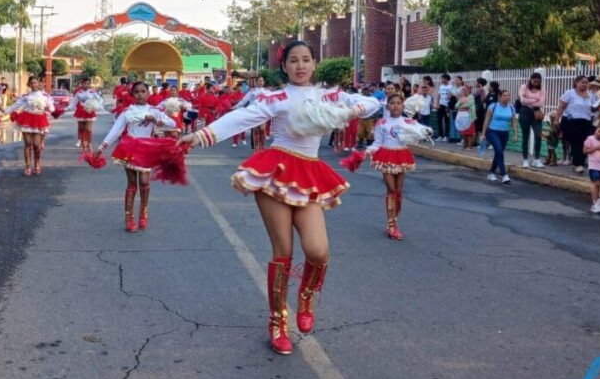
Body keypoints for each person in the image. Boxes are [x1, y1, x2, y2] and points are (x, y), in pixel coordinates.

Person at [180, 40, 379, 355]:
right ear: (284, 67)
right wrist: (200, 136)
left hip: (309, 174)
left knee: (318, 251)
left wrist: (350, 109)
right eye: (294, 60)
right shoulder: (276, 98)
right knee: (283, 251)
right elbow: (241, 118)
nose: (300, 65)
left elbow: (371, 104)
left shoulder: (330, 95)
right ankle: (278, 322)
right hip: (275, 170)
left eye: (306, 59)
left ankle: (306, 297)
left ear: (314, 64)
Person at [94, 80, 177, 232]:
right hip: (130, 147)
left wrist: (156, 120)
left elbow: (172, 124)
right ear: (133, 94)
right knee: (132, 184)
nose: (140, 94)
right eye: (137, 92)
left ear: (148, 93)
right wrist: (102, 147)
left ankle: (143, 214)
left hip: (147, 149)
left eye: (143, 91)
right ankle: (129, 219)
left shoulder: (155, 110)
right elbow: (116, 130)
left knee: (144, 183)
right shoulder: (127, 112)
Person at [366, 93, 420, 239]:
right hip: (387, 156)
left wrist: (425, 131)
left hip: (401, 156)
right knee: (391, 189)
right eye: (392, 103)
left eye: (398, 103)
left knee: (399, 191)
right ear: (387, 106)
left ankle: (393, 221)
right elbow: (377, 142)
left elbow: (420, 132)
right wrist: (368, 150)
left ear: (403, 106)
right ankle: (392, 226)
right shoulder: (381, 122)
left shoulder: (408, 122)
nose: (395, 106)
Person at [6, 77, 54, 174]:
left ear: (38, 83)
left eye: (35, 82)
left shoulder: (45, 95)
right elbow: (16, 105)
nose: (33, 85)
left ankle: (37, 163)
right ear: (29, 84)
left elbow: (52, 108)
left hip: (39, 120)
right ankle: (28, 166)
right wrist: (5, 111)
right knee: (27, 144)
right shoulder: (26, 96)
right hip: (27, 120)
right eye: (31, 83)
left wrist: (47, 108)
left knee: (36, 144)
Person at [553, 75, 593, 173]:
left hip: (586, 121)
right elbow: (561, 107)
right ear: (576, 83)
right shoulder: (570, 93)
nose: (585, 84)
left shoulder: (590, 95)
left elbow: (592, 108)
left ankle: (577, 163)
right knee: (577, 141)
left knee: (585, 142)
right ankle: (578, 164)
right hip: (571, 121)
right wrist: (556, 119)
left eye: (586, 83)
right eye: (582, 82)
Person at [482, 89, 517, 184]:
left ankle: (491, 173)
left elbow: (513, 122)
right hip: (492, 132)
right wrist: (483, 134)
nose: (507, 97)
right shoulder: (493, 106)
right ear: (499, 97)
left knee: (498, 153)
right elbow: (486, 120)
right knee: (499, 150)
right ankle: (504, 175)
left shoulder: (511, 108)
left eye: (508, 95)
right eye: (504, 96)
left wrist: (515, 134)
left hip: (504, 133)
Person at [517, 72, 546, 168]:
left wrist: (528, 101)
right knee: (525, 137)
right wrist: (534, 101)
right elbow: (522, 101)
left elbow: (541, 103)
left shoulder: (542, 89)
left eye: (538, 81)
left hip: (537, 113)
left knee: (538, 136)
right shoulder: (524, 87)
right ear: (530, 79)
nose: (536, 83)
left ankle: (536, 160)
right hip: (525, 112)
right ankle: (525, 160)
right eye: (534, 81)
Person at [68, 77, 104, 152]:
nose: (87, 85)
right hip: (80, 112)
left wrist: (96, 104)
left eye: (88, 83)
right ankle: (84, 145)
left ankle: (89, 144)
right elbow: (74, 103)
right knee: (82, 129)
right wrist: (66, 109)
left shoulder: (92, 92)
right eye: (85, 83)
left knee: (88, 130)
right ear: (82, 84)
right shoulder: (79, 92)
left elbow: (100, 99)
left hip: (90, 112)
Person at [454, 85, 477, 149]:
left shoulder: (471, 97)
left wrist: (460, 106)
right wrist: (459, 104)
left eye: (465, 89)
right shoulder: (461, 97)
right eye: (463, 90)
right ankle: (464, 145)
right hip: (461, 117)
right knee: (464, 132)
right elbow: (456, 105)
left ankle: (469, 146)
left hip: (469, 117)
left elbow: (468, 104)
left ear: (469, 90)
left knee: (469, 132)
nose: (464, 91)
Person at [436, 74, 452, 142]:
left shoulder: (451, 87)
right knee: (439, 121)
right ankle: (440, 135)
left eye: (443, 79)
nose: (441, 80)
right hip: (440, 105)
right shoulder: (441, 86)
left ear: (446, 79)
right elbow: (438, 95)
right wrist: (437, 104)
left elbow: (450, 97)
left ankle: (446, 136)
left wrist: (449, 106)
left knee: (446, 121)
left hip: (446, 106)